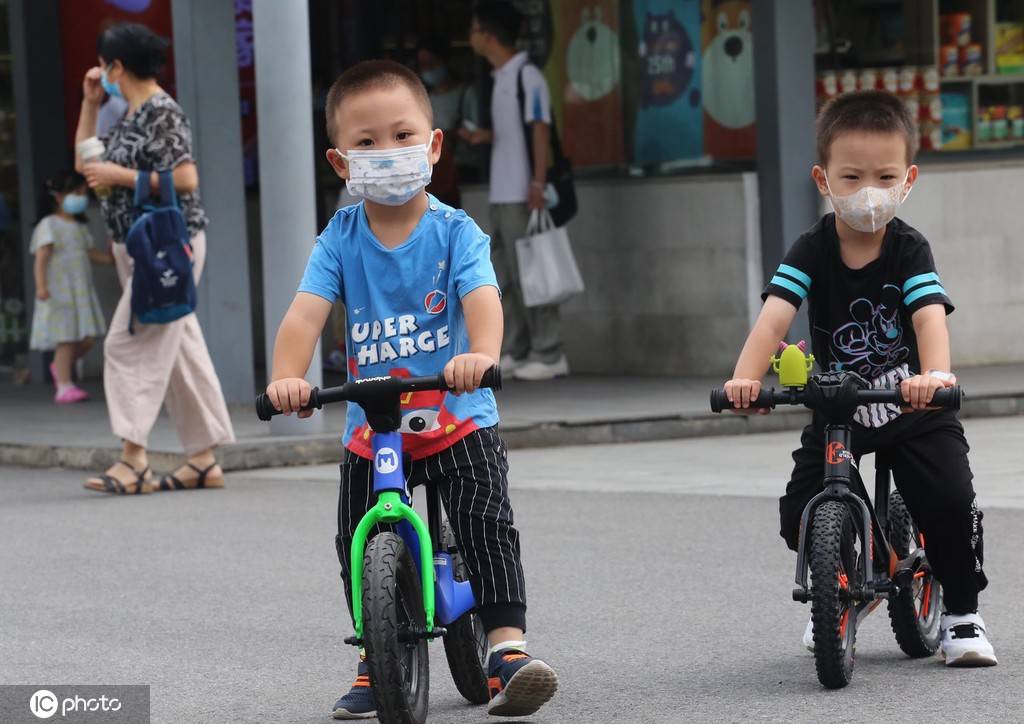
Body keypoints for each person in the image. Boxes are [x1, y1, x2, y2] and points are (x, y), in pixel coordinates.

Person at [265, 60, 559, 719]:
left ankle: (507, 648)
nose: (386, 152)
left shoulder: (456, 232)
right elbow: (305, 314)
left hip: (455, 409)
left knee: (485, 519)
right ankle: (377, 656)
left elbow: (483, 301)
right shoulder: (339, 240)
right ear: (341, 164)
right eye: (366, 143)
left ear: (432, 146)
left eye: (402, 135)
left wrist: (480, 356)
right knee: (356, 537)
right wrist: (289, 376)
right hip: (376, 423)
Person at [724, 90, 995, 667]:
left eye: (884, 175)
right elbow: (776, 314)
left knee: (949, 497)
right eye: (851, 176)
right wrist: (743, 382)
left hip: (911, 405)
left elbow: (927, 317)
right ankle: (844, 580)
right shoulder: (812, 247)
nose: (867, 192)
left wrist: (936, 374)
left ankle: (962, 615)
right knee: (801, 508)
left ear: (908, 178)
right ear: (823, 179)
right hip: (843, 406)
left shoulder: (908, 248)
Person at [74, 22, 235, 495]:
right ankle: (204, 460)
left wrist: (119, 176)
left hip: (166, 246)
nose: (101, 72)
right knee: (178, 346)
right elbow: (89, 162)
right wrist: (89, 104)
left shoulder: (161, 111)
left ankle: (134, 460)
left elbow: (186, 179)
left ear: (116, 66)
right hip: (142, 246)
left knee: (127, 344)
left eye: (104, 65)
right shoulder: (129, 111)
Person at [462, 1, 569, 381]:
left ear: (488, 34)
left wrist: (537, 182)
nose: (470, 36)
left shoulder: (527, 76)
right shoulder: (500, 77)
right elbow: (515, 132)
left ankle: (549, 351)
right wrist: (484, 137)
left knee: (533, 274)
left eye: (474, 29)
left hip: (523, 194)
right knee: (505, 276)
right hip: (502, 193)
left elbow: (540, 129)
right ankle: (518, 347)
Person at [28, 171, 111, 404]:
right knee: (66, 338)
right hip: (59, 290)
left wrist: (111, 259)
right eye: (77, 193)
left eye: (84, 194)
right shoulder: (48, 225)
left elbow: (89, 252)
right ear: (58, 197)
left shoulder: (78, 225)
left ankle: (59, 367)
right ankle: (64, 385)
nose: (82, 198)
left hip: (80, 290)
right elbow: (42, 257)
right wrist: (41, 286)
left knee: (86, 337)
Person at [416, 34, 482, 207]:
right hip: (433, 177)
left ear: (445, 61)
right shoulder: (423, 100)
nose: (428, 69)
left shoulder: (466, 94)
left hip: (463, 173)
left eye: (432, 63)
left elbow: (477, 134)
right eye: (423, 65)